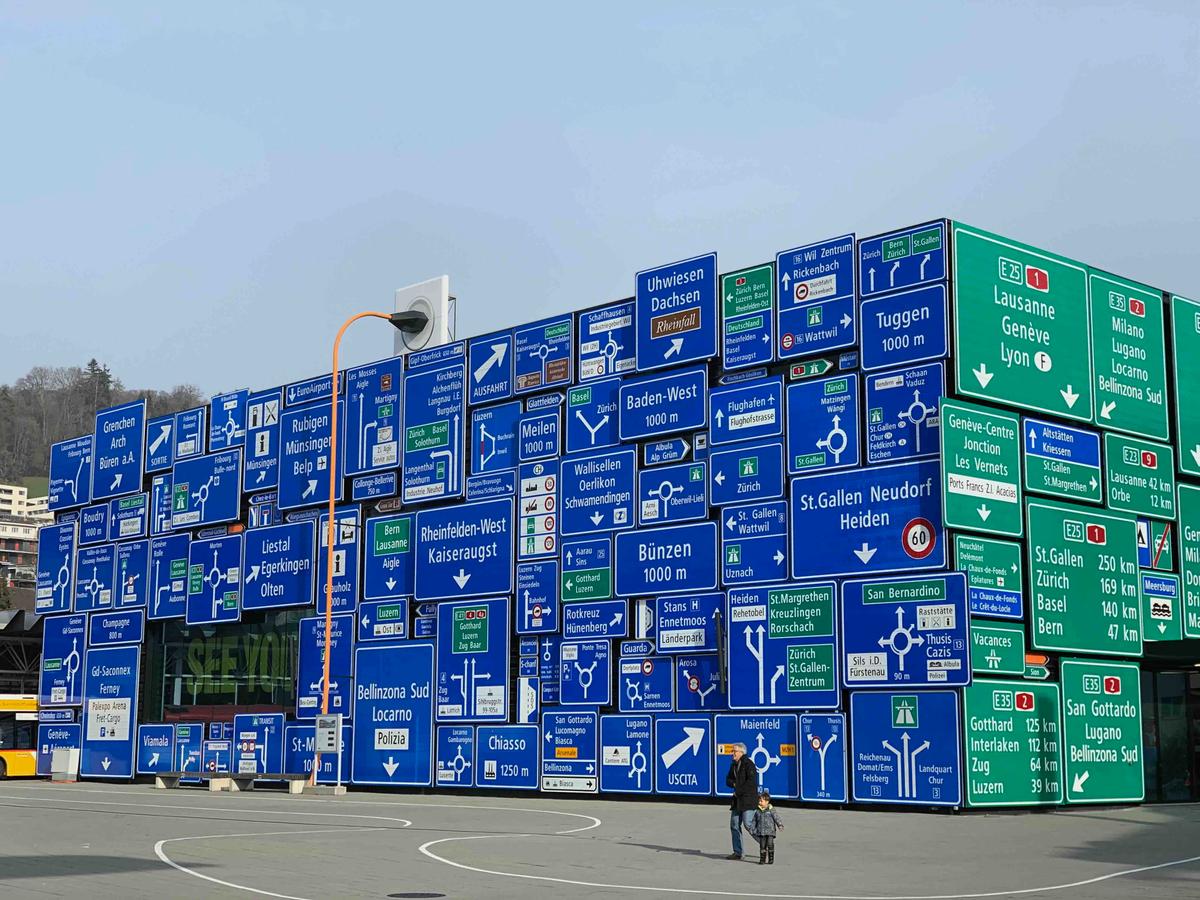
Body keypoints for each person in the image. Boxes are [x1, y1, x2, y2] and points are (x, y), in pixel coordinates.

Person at [724, 742, 758, 859]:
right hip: (737, 800)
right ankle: (738, 852)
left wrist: (738, 790)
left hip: (748, 800)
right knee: (734, 824)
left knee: (748, 824)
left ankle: (765, 842)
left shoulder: (749, 764)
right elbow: (728, 780)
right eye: (732, 751)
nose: (732, 753)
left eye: (734, 751)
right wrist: (734, 784)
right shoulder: (734, 764)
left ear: (741, 752)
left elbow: (751, 783)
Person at [752, 790, 784, 865]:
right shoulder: (757, 810)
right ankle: (762, 859)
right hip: (761, 831)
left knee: (770, 844)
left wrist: (780, 825)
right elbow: (754, 820)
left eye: (761, 801)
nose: (759, 802)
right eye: (759, 801)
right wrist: (752, 828)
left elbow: (776, 817)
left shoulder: (771, 810)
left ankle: (771, 859)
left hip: (770, 831)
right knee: (762, 846)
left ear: (767, 802)